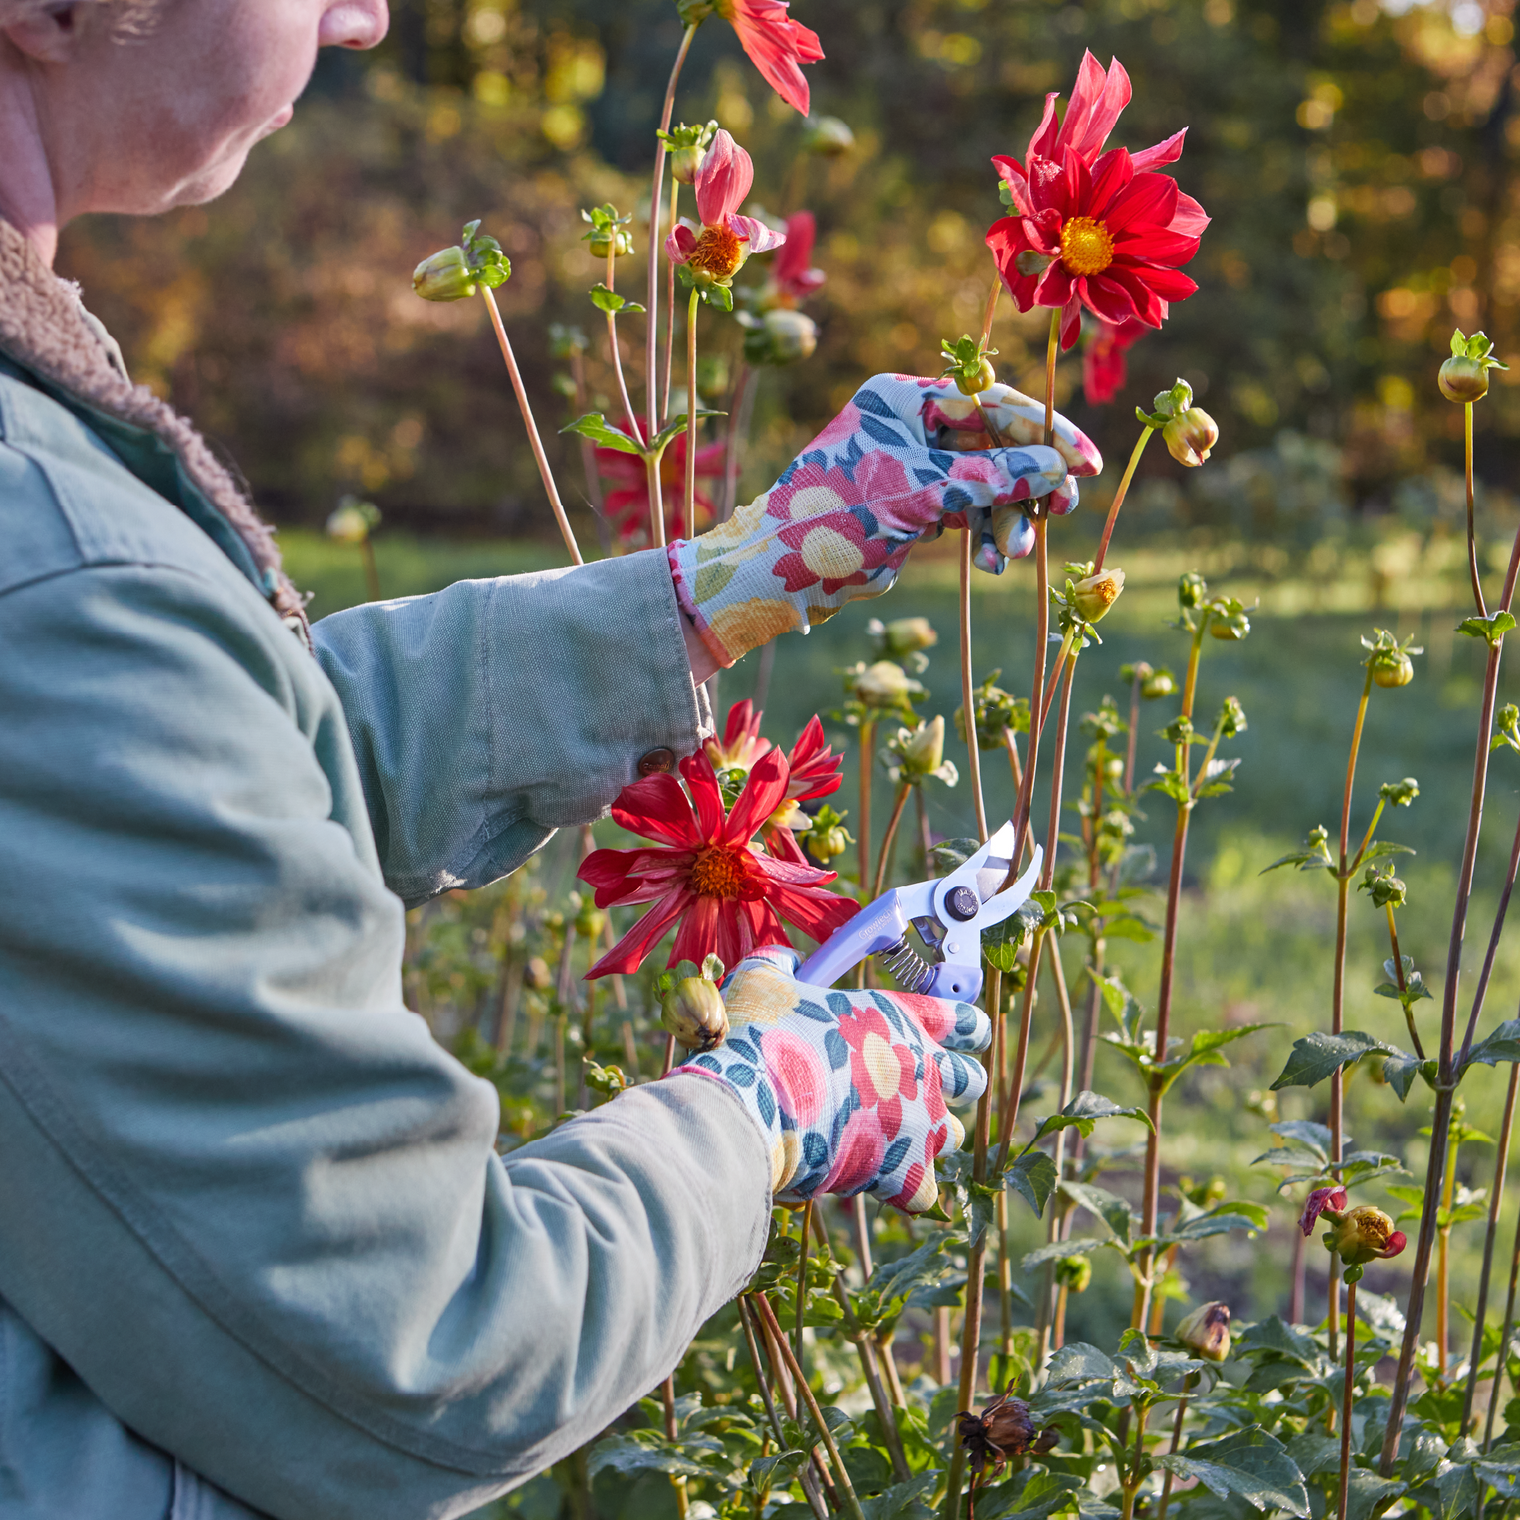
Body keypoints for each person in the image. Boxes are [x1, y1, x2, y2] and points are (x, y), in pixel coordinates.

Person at [0, 3, 1097, 1517]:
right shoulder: (50, 571)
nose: (362, 15)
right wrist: (763, 1114)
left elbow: (194, 779)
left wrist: (733, 581)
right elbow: (429, 1341)